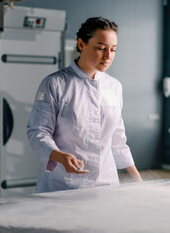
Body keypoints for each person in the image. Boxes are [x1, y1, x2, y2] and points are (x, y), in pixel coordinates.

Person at [27, 17, 142, 193]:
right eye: (101, 48)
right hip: (64, 184)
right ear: (81, 44)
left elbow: (117, 139)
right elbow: (38, 130)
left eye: (113, 50)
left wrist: (137, 179)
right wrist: (59, 156)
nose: (108, 56)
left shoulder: (114, 86)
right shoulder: (55, 83)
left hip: (106, 183)